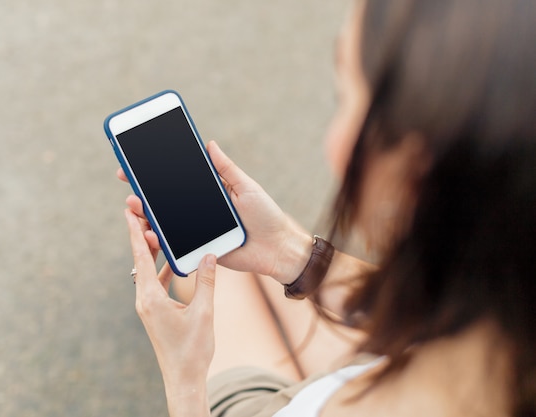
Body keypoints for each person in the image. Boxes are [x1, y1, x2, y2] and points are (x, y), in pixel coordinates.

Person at [120, 0, 536, 416]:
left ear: (413, 168)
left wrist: (183, 375)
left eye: (344, 97)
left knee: (213, 279)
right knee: (233, 264)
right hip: (372, 367)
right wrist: (287, 250)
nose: (333, 145)